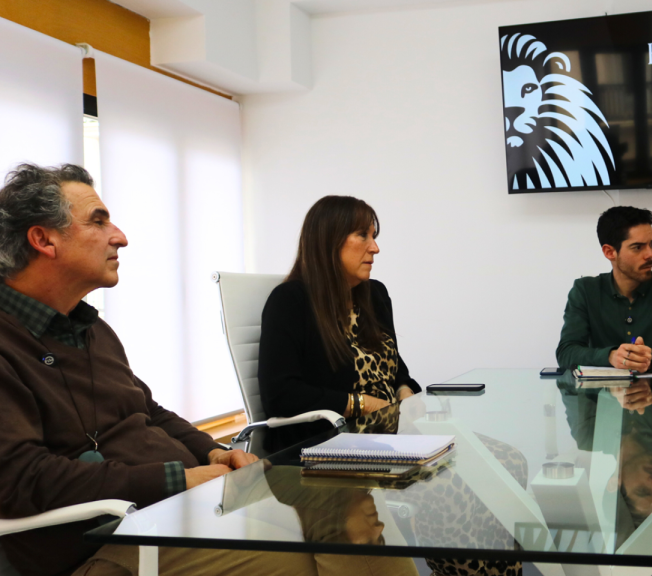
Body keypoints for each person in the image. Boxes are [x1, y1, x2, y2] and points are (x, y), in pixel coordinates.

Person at [0, 164, 261, 575]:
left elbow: (149, 412)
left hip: (167, 518)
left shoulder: (91, 328)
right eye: (98, 221)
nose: (120, 236)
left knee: (337, 522)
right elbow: (21, 479)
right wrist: (177, 480)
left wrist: (212, 452)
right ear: (43, 239)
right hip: (99, 545)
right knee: (314, 550)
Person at [258, 196, 420, 452]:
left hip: (393, 436)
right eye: (362, 236)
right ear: (329, 242)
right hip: (332, 447)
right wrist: (364, 404)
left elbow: (395, 370)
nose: (375, 248)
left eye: (373, 236)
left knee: (492, 457)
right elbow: (280, 394)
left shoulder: (375, 295)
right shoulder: (290, 301)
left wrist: (405, 394)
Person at [556, 206, 652, 373]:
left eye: (651, 244)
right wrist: (611, 356)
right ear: (610, 252)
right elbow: (566, 352)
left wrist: (646, 360)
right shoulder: (585, 291)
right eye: (638, 247)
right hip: (603, 395)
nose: (650, 254)